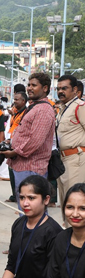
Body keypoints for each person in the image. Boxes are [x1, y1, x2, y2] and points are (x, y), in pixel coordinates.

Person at [0, 73, 56, 211]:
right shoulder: (35, 106)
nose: (29, 88)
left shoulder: (43, 110)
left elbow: (35, 141)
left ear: (45, 88)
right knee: (27, 210)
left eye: (34, 85)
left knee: (32, 210)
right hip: (24, 166)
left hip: (32, 167)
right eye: (29, 85)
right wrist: (12, 141)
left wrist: (13, 151)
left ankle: (35, 233)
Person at [55, 75, 85, 211]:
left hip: (76, 159)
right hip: (62, 160)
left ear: (74, 90)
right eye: (59, 88)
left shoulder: (80, 107)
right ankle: (68, 231)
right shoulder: (62, 109)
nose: (60, 91)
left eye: (64, 88)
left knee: (74, 200)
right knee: (65, 201)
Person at [5, 91, 28, 203]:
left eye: (17, 99)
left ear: (23, 101)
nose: (14, 101)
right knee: (11, 170)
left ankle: (20, 197)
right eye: (14, 99)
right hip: (11, 141)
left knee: (19, 172)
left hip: (20, 145)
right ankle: (15, 195)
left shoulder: (27, 113)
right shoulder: (16, 112)